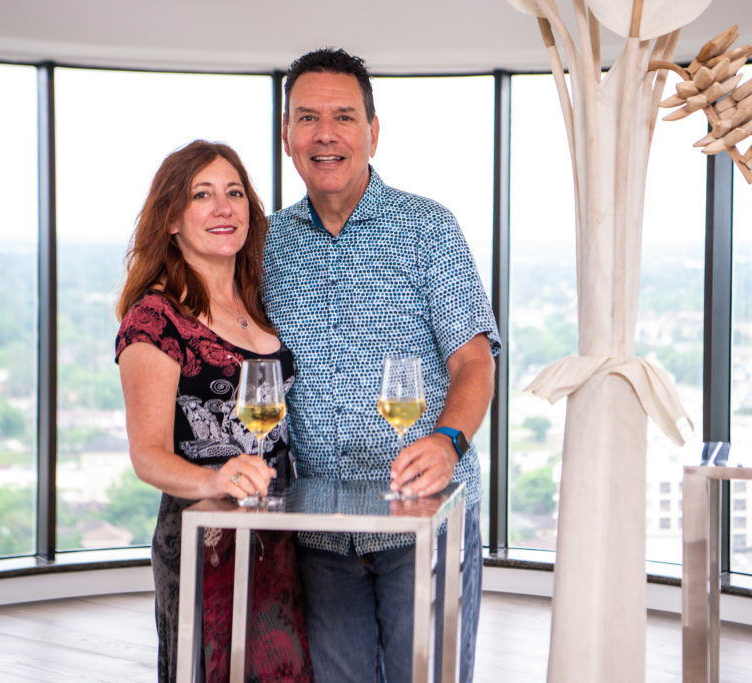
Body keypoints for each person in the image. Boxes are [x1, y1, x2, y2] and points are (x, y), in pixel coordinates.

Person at [262, 48, 501, 682]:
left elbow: (475, 361)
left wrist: (449, 440)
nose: (325, 134)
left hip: (424, 521)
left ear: (373, 130)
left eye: (343, 116)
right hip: (319, 528)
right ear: (287, 136)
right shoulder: (267, 244)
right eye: (307, 118)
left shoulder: (429, 227)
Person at [115, 140, 313, 683]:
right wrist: (215, 477)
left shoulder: (257, 300)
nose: (224, 208)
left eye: (234, 193)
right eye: (202, 195)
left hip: (278, 534)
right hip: (206, 538)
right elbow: (148, 455)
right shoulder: (155, 319)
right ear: (173, 219)